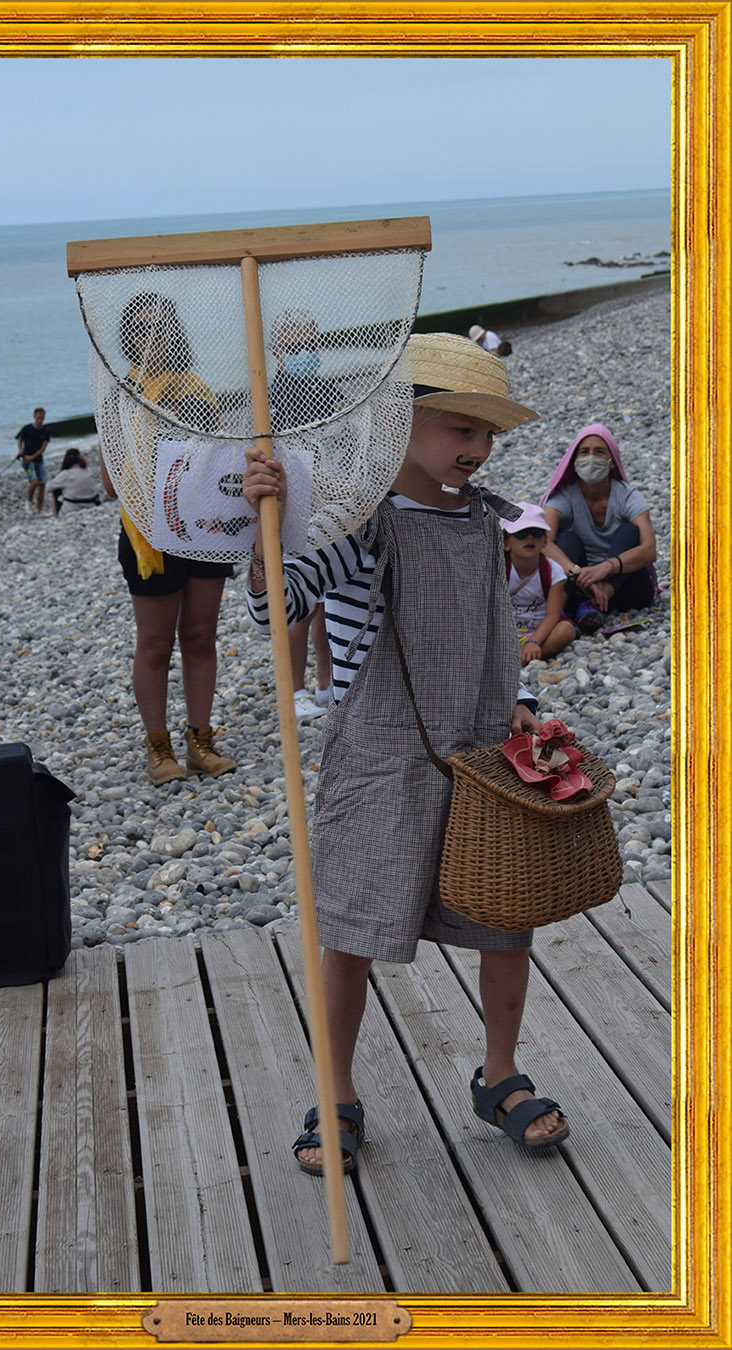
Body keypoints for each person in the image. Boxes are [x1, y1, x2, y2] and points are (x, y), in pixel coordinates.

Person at [243, 332, 569, 1176]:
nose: (477, 447)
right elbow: (281, 605)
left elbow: (497, 631)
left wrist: (523, 709)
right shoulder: (360, 524)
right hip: (381, 755)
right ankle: (337, 1092)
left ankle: (499, 1075)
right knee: (352, 928)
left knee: (505, 917)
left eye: (486, 433)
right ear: (398, 424)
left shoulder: (489, 521)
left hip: (485, 746)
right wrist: (264, 528)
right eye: (460, 428)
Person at [104, 291, 235, 785]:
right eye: (142, 328)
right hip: (149, 535)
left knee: (200, 636)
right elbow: (110, 479)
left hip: (203, 527)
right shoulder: (122, 392)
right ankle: (158, 747)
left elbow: (218, 457)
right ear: (129, 339)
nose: (153, 336)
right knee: (156, 644)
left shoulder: (199, 388)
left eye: (161, 326)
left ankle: (201, 740)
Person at [268, 307, 340, 719]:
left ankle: (327, 683)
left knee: (329, 596)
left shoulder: (327, 390)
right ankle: (294, 689)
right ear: (277, 352)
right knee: (300, 601)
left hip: (329, 503)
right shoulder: (273, 396)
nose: (304, 353)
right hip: (293, 506)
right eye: (295, 347)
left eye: (310, 345)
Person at [539, 423, 657, 633]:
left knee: (630, 532)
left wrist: (606, 569)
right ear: (574, 460)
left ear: (612, 462)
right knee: (567, 539)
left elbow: (649, 550)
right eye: (584, 452)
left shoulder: (628, 496)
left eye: (600, 451)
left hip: (627, 589)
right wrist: (578, 573)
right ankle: (589, 602)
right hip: (579, 585)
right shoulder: (564, 496)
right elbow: (543, 541)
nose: (591, 457)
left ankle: (596, 599)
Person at [501, 502, 576, 664]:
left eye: (537, 532)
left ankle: (519, 657)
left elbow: (553, 615)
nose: (530, 538)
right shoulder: (497, 570)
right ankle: (521, 657)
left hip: (538, 633)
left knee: (566, 630)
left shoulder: (553, 571)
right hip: (503, 633)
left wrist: (534, 641)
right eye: (521, 533)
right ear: (506, 543)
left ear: (545, 542)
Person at [47, 447, 102, 517]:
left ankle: (55, 516)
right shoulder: (88, 470)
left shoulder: (66, 474)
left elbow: (48, 487)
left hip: (72, 507)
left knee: (55, 490)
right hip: (91, 504)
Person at [16, 407, 49, 513]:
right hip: (27, 462)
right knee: (34, 482)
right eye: (38, 418)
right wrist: (20, 450)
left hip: (39, 460)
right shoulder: (27, 428)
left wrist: (33, 456)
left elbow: (43, 448)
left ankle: (40, 509)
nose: (40, 420)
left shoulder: (45, 431)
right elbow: (20, 439)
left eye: (42, 418)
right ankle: (28, 503)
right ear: (34, 417)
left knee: (42, 484)